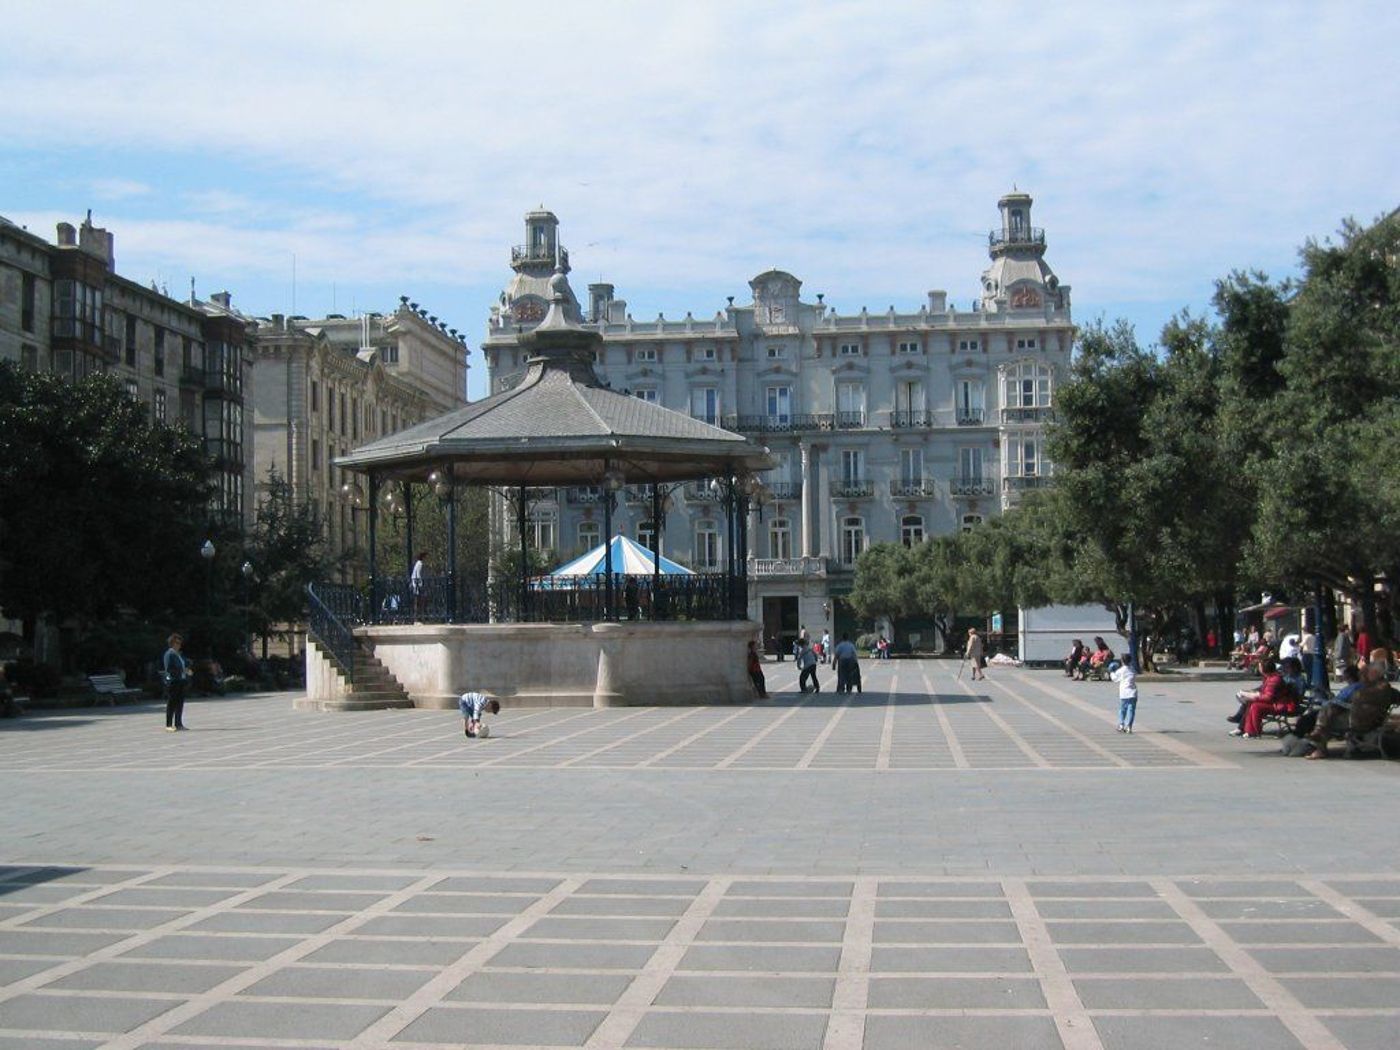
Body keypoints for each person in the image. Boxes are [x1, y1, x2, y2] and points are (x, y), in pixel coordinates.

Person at [1308, 659, 1397, 759]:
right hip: (1373, 721)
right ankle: (1318, 734)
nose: (1363, 676)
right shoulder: (1387, 689)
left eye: (1366, 673)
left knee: (1325, 715)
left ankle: (1320, 747)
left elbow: (1353, 704)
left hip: (1358, 722)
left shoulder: (1363, 691)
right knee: (1329, 711)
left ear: (1374, 674)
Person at [1230, 658, 1294, 738]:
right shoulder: (1270, 677)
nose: (1259, 669)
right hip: (1274, 703)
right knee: (1251, 703)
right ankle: (1246, 729)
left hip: (1278, 705)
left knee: (1255, 706)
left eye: (1260, 667)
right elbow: (1264, 691)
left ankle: (1254, 731)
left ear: (1265, 668)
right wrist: (1250, 694)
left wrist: (1254, 697)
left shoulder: (1275, 679)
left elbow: (1268, 697)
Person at [162, 633, 191, 732]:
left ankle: (178, 724)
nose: (179, 645)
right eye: (177, 643)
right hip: (173, 681)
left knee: (180, 703)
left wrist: (187, 669)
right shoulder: (169, 654)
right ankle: (168, 725)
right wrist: (182, 670)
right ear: (172, 643)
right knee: (172, 703)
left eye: (180, 643)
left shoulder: (179, 654)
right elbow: (170, 668)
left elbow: (184, 664)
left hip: (181, 680)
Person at [1111, 655, 1138, 733]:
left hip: (1124, 693)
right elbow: (1134, 675)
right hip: (1133, 693)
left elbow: (1115, 679)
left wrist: (1112, 672)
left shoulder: (1121, 670)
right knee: (1131, 710)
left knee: (1123, 710)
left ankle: (1121, 724)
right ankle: (1129, 726)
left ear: (1122, 661)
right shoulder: (1132, 669)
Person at [410, 551, 427, 620]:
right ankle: (417, 617)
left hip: (415, 582)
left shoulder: (417, 563)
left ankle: (417, 617)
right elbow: (418, 574)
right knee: (419, 601)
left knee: (417, 601)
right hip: (417, 584)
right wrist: (420, 583)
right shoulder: (420, 564)